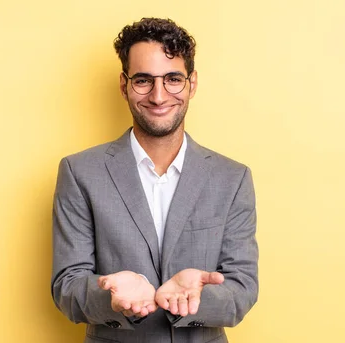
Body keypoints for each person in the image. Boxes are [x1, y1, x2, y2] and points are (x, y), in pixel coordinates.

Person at [51, 17, 258, 343]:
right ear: (124, 85)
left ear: (192, 84)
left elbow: (242, 288)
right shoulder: (80, 173)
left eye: (173, 79)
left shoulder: (231, 178)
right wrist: (113, 296)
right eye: (143, 80)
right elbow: (67, 285)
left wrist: (191, 298)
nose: (159, 96)